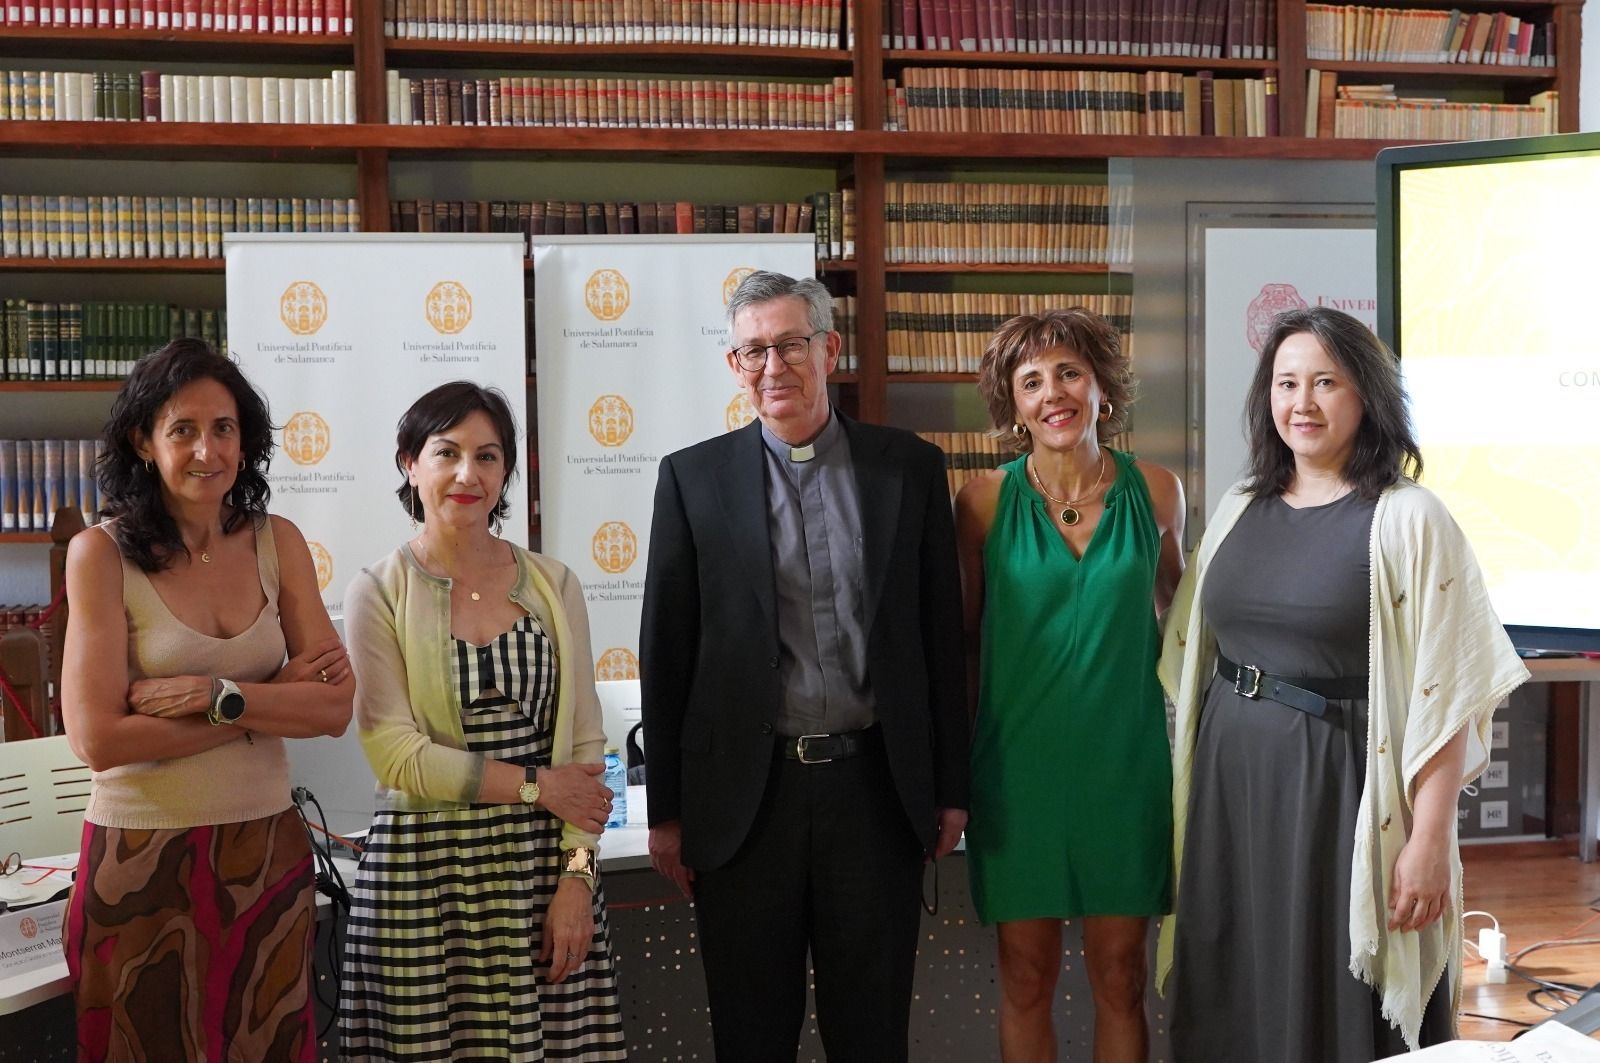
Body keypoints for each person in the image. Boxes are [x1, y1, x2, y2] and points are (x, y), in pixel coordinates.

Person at [1158, 307, 1529, 1061]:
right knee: (1234, 974)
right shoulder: (1237, 507)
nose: (1304, 402)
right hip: (1231, 784)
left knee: (1338, 984)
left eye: (1327, 382)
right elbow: (1191, 644)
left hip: (1341, 789)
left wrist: (1429, 837)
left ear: (1367, 397)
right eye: (1287, 382)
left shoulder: (1410, 518)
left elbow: (1448, 692)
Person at [640, 270, 969, 1062]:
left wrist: (950, 786)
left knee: (872, 1032)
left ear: (827, 349)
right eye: (752, 351)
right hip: (747, 804)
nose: (772, 366)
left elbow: (940, 640)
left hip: (875, 794)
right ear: (733, 365)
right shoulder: (692, 479)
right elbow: (667, 649)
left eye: (789, 344)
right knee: (751, 1034)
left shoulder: (911, 469)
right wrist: (666, 810)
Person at [60, 338, 354, 1062]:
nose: (206, 449)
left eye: (223, 428)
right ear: (143, 439)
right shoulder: (100, 554)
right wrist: (259, 702)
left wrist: (217, 697)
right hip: (139, 860)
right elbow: (97, 738)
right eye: (182, 429)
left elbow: (332, 708)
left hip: (266, 851)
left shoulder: (277, 542)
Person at [340, 381, 627, 1060]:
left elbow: (585, 746)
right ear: (410, 462)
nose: (468, 473)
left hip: (541, 878)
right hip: (422, 885)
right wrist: (539, 785)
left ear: (506, 473)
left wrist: (576, 880)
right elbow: (395, 754)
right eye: (447, 452)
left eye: (488, 456)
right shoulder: (377, 589)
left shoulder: (554, 584)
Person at [955, 309, 1185, 1063]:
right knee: (1024, 977)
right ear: (1013, 405)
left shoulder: (1157, 492)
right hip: (1017, 774)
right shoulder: (981, 502)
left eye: (1068, 373)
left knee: (1120, 978)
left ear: (1100, 390)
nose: (1053, 392)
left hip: (1127, 769)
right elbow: (962, 645)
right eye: (1032, 381)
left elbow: (1184, 637)